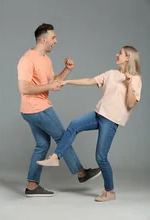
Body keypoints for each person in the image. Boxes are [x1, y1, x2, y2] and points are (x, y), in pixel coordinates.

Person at [37, 46, 142, 202]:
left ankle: (110, 191)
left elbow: (131, 103)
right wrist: (67, 81)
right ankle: (55, 156)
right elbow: (89, 81)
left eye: (119, 53)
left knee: (101, 157)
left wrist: (128, 84)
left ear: (128, 57)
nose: (116, 54)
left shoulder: (136, 79)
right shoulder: (111, 73)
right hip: (98, 114)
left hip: (111, 120)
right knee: (74, 125)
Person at [16, 23, 100, 197]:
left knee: (42, 144)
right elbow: (24, 88)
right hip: (37, 108)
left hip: (33, 109)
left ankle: (32, 186)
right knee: (63, 137)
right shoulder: (26, 59)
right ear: (43, 39)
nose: (56, 41)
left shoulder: (45, 59)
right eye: (53, 38)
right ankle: (81, 173)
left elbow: (54, 81)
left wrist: (67, 70)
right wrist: (48, 86)